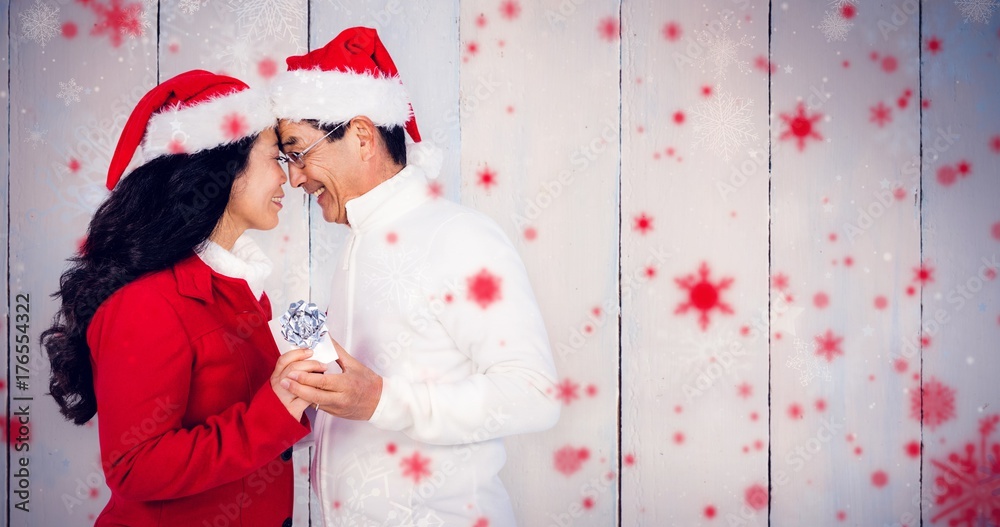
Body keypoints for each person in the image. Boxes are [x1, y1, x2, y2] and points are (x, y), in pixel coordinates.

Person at [269, 27, 561, 525]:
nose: (294, 178)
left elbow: (535, 394)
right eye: (286, 158)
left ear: (361, 136)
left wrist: (384, 400)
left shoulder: (458, 236)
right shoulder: (360, 243)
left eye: (298, 151)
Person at [41, 70, 326, 527]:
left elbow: (243, 417)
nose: (291, 178)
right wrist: (275, 410)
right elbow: (134, 467)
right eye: (276, 157)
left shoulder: (240, 289)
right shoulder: (145, 303)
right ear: (221, 169)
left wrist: (305, 398)